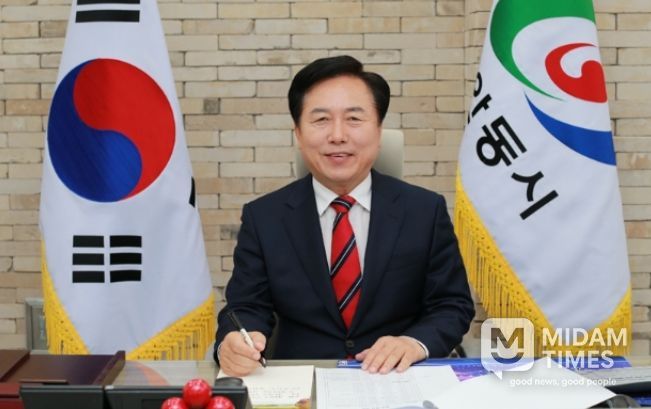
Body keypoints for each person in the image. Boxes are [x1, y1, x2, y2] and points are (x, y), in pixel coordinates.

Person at [215, 55, 474, 376]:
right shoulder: (264, 217)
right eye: (321, 119)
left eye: (354, 118)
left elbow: (452, 305)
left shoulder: (424, 211)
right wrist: (233, 343)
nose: (337, 135)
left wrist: (414, 342)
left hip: (396, 379)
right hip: (303, 382)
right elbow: (245, 307)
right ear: (298, 133)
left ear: (379, 131)